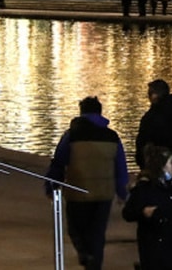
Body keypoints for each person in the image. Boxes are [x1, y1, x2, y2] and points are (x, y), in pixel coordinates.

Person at [46, 96, 130, 270]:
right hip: (104, 194)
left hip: (78, 191)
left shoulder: (71, 135)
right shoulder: (112, 137)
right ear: (100, 113)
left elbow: (59, 163)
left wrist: (51, 186)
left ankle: (85, 254)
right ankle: (94, 264)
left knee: (76, 229)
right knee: (98, 234)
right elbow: (120, 166)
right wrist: (122, 192)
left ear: (81, 113)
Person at [122, 144, 172, 270]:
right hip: (155, 249)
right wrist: (143, 212)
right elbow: (128, 213)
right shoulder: (144, 188)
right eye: (171, 163)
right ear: (161, 166)